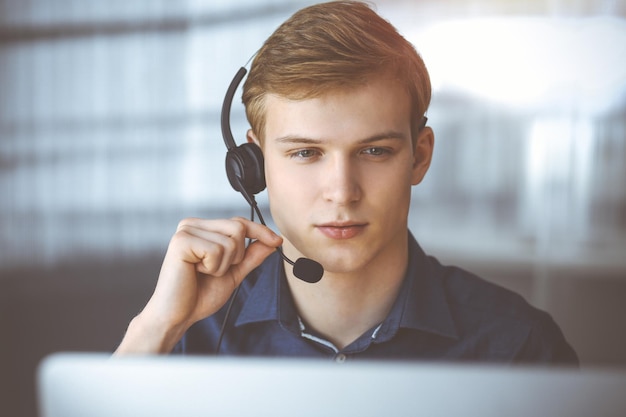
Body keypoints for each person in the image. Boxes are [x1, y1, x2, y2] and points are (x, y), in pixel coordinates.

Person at [115, 0, 578, 364]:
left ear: (420, 157)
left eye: (374, 151)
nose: (342, 191)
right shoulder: (187, 334)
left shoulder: (518, 345)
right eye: (305, 153)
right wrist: (154, 330)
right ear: (253, 166)